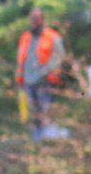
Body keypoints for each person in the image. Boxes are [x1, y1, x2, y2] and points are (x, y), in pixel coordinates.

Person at [16, 7, 67, 143]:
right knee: (33, 111)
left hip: (46, 80)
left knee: (46, 108)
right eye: (32, 19)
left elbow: (59, 56)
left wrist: (45, 71)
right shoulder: (25, 37)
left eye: (36, 19)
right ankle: (37, 139)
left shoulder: (52, 36)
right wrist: (19, 77)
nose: (34, 22)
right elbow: (21, 58)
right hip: (28, 80)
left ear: (42, 20)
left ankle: (49, 138)